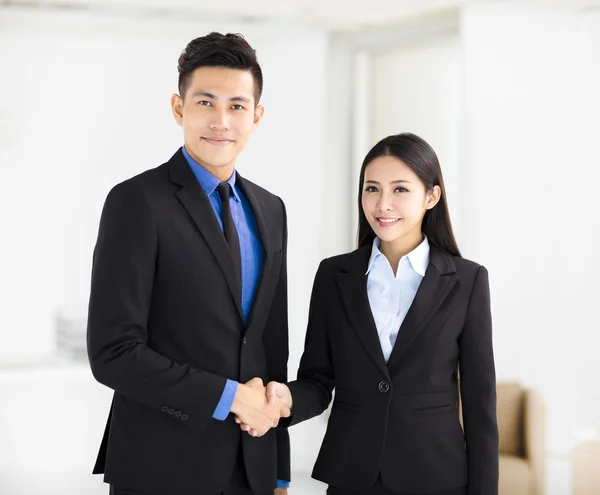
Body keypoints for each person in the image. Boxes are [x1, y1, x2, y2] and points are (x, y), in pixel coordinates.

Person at [87, 32, 291, 495]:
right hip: (161, 464)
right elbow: (112, 353)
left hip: (251, 465)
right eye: (206, 102)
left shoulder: (271, 209)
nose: (221, 121)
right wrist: (228, 396)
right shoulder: (136, 202)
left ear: (256, 117)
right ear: (179, 108)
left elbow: (269, 346)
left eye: (237, 106)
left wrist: (276, 470)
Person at [239, 133, 499, 494]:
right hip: (353, 477)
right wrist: (285, 400)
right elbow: (317, 380)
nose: (383, 204)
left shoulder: (467, 280)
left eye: (400, 190)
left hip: (436, 476)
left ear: (432, 196)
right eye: (372, 189)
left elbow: (479, 404)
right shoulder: (334, 275)